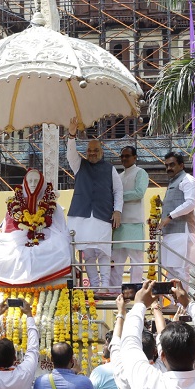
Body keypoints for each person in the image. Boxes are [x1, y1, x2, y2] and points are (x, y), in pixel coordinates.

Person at [0, 168, 72, 286]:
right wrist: (24, 227)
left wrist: (43, 227)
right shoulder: (15, 204)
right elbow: (8, 229)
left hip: (46, 237)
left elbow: (60, 228)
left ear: (42, 183)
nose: (33, 184)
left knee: (61, 243)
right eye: (30, 181)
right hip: (20, 238)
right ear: (25, 183)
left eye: (36, 181)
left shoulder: (53, 204)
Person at [65, 117, 123, 289]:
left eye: (95, 150)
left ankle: (105, 285)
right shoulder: (78, 165)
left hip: (102, 215)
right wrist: (72, 135)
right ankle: (94, 285)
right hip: (81, 215)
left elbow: (118, 191)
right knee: (88, 254)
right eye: (89, 151)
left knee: (103, 252)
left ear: (101, 151)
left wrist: (117, 211)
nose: (92, 153)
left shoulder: (110, 168)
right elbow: (70, 154)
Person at [159, 151, 195, 283]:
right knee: (171, 270)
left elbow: (190, 203)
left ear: (181, 165)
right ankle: (173, 302)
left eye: (172, 165)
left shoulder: (187, 179)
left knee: (180, 270)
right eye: (166, 166)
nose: (169, 168)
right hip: (170, 233)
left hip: (181, 232)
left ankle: (182, 303)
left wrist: (169, 217)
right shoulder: (173, 181)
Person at [109, 145, 148, 288]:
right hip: (119, 225)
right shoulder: (119, 176)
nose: (124, 159)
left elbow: (139, 193)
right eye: (122, 156)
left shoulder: (140, 173)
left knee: (136, 262)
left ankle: (136, 292)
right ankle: (114, 292)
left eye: (127, 156)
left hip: (134, 224)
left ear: (135, 157)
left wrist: (118, 197)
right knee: (116, 261)